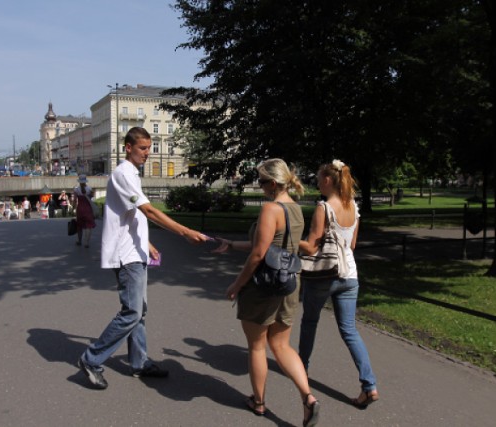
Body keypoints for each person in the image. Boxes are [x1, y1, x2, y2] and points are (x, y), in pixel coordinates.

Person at [77, 126, 209, 389]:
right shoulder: (124, 173)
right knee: (132, 312)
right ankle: (91, 359)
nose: (148, 153)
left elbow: (132, 214)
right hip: (126, 255)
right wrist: (185, 232)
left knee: (139, 312)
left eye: (149, 148)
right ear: (128, 147)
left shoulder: (133, 174)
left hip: (135, 251)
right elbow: (149, 211)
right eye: (143, 148)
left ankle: (139, 362)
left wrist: (145, 242)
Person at [213, 159, 320, 427]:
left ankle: (259, 402)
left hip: (262, 286)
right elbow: (272, 246)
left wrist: (236, 285)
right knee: (282, 345)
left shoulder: (271, 209)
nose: (259, 187)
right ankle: (308, 397)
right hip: (288, 284)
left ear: (273, 183)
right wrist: (232, 245)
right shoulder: (296, 209)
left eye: (261, 182)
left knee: (257, 346)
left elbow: (260, 254)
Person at [298, 160, 379, 410]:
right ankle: (369, 386)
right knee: (350, 331)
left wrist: (288, 239)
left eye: (319, 177)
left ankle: (302, 370)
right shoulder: (353, 207)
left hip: (324, 276)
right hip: (350, 276)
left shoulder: (324, 207)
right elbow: (351, 245)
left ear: (328, 180)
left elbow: (312, 246)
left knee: (310, 322)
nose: (317, 182)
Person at [73, 177, 96, 248]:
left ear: (79, 182)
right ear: (86, 181)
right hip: (88, 209)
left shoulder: (76, 189)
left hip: (80, 209)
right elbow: (92, 197)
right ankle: (87, 243)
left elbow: (74, 200)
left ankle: (79, 241)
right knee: (88, 226)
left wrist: (73, 208)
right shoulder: (89, 188)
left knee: (79, 226)